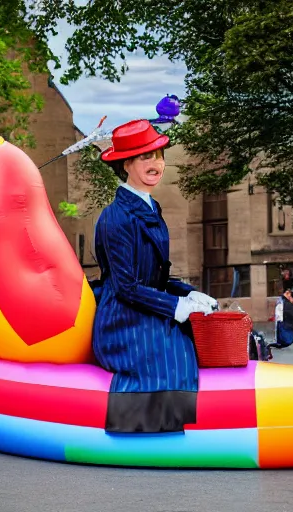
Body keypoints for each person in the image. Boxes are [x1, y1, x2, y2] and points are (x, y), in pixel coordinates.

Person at [92, 119, 217, 434]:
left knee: (190, 335)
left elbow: (158, 276)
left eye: (159, 155)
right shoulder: (116, 217)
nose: (156, 163)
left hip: (145, 305)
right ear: (126, 164)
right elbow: (126, 287)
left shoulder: (152, 207)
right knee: (170, 352)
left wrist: (189, 293)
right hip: (122, 317)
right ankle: (141, 425)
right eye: (145, 157)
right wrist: (175, 306)